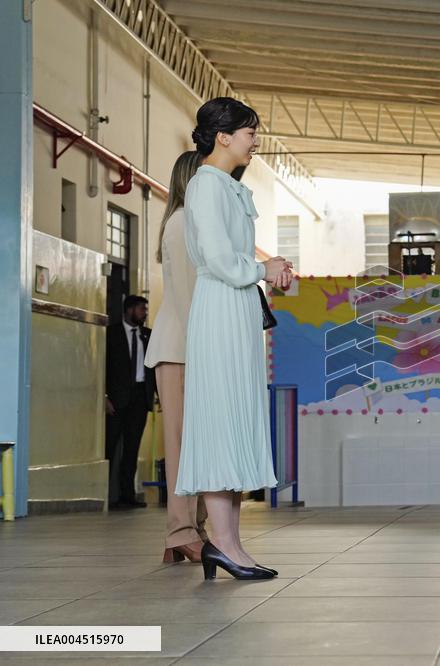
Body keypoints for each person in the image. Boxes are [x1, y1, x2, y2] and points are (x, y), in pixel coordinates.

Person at [175, 97, 292, 581]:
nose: (255, 141)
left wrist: (265, 270)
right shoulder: (206, 185)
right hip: (221, 307)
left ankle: (232, 543)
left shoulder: (227, 186)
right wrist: (263, 268)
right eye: (250, 132)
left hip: (237, 306)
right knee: (222, 418)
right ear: (223, 136)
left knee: (238, 417)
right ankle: (222, 543)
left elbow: (234, 259)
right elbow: (221, 260)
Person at [144, 150, 209, 564]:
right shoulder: (183, 222)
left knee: (196, 443)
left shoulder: (190, 222)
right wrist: (206, 348)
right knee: (183, 443)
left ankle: (189, 530)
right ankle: (181, 531)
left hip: (186, 346)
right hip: (181, 348)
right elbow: (187, 297)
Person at [105, 295, 156, 509]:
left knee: (132, 448)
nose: (145, 313)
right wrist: (104, 397)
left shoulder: (148, 335)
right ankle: (107, 495)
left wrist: (157, 395)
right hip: (116, 400)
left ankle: (127, 495)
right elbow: (103, 366)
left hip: (139, 398)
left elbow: (154, 367)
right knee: (109, 446)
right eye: (141, 309)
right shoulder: (111, 334)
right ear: (129, 310)